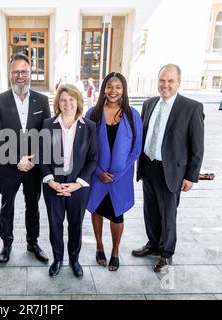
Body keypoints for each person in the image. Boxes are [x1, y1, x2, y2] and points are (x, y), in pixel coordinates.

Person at [132, 64, 204, 272]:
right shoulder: (149, 103)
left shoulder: (191, 107)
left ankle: (166, 253)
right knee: (151, 211)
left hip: (171, 171)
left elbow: (197, 146)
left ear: (178, 83)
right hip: (149, 166)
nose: (165, 85)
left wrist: (191, 176)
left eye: (170, 81)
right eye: (162, 80)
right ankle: (153, 244)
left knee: (168, 215)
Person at [0, 53, 51, 264]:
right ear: (10, 74)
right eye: (16, 72)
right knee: (7, 206)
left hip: (33, 166)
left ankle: (33, 243)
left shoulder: (41, 99)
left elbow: (47, 133)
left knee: (33, 206)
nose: (20, 76)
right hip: (8, 166)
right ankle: (6, 244)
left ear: (30, 73)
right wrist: (17, 159)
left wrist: (35, 159)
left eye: (24, 71)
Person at [85, 72, 143, 271]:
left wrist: (117, 174)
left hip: (121, 177)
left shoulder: (132, 115)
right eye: (110, 86)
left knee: (117, 215)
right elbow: (85, 146)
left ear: (124, 90)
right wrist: (98, 171)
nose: (113, 91)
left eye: (118, 87)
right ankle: (99, 246)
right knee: (97, 210)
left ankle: (115, 251)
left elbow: (136, 149)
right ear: (104, 88)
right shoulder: (92, 113)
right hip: (97, 175)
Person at [40, 84, 98, 277]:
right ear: (58, 103)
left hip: (78, 187)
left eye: (72, 99)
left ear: (78, 101)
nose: (67, 104)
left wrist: (78, 183)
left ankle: (74, 259)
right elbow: (42, 156)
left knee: (75, 225)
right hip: (53, 186)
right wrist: (51, 181)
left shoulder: (89, 126)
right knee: (55, 224)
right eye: (63, 100)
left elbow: (93, 159)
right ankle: (57, 259)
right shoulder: (48, 124)